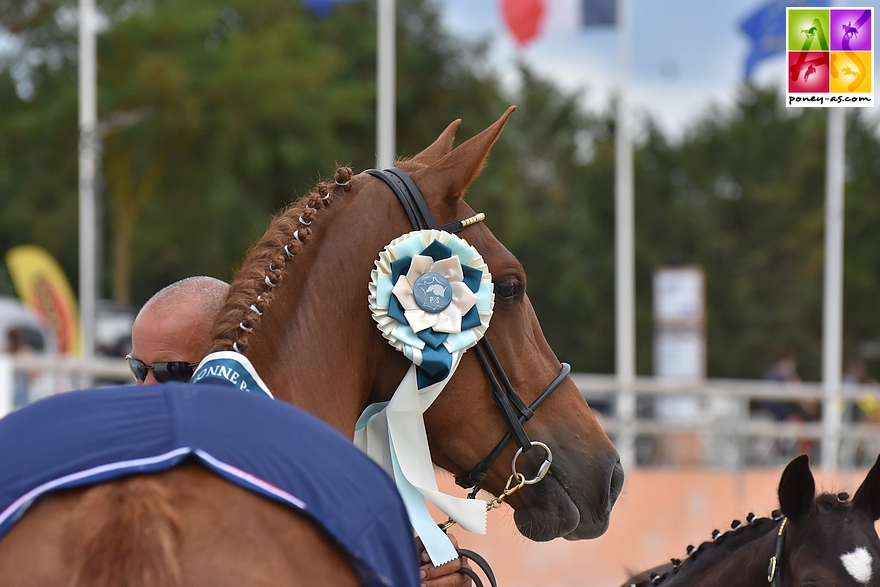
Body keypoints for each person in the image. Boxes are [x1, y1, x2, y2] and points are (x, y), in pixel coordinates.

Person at [131, 276, 472, 587]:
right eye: (138, 368)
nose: (144, 391)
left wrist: (402, 571)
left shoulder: (323, 484)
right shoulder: (115, 485)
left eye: (171, 371)